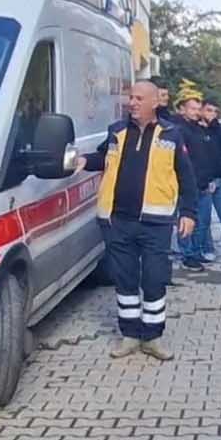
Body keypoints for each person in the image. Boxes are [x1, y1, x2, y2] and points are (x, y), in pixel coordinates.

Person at [77, 79, 197, 360]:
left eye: (139, 98)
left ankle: (153, 337)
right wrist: (84, 161)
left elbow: (186, 177)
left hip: (156, 223)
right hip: (118, 221)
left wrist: (189, 212)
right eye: (131, 97)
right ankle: (130, 335)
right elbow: (102, 157)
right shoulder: (117, 132)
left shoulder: (172, 134)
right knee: (125, 280)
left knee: (154, 279)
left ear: (155, 102)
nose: (133, 102)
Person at [175, 95, 221, 271]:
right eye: (192, 108)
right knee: (186, 220)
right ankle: (188, 255)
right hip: (189, 184)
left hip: (204, 183)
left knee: (203, 222)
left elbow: (208, 156)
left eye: (197, 108)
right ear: (182, 109)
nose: (195, 112)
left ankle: (196, 252)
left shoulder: (199, 129)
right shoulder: (179, 130)